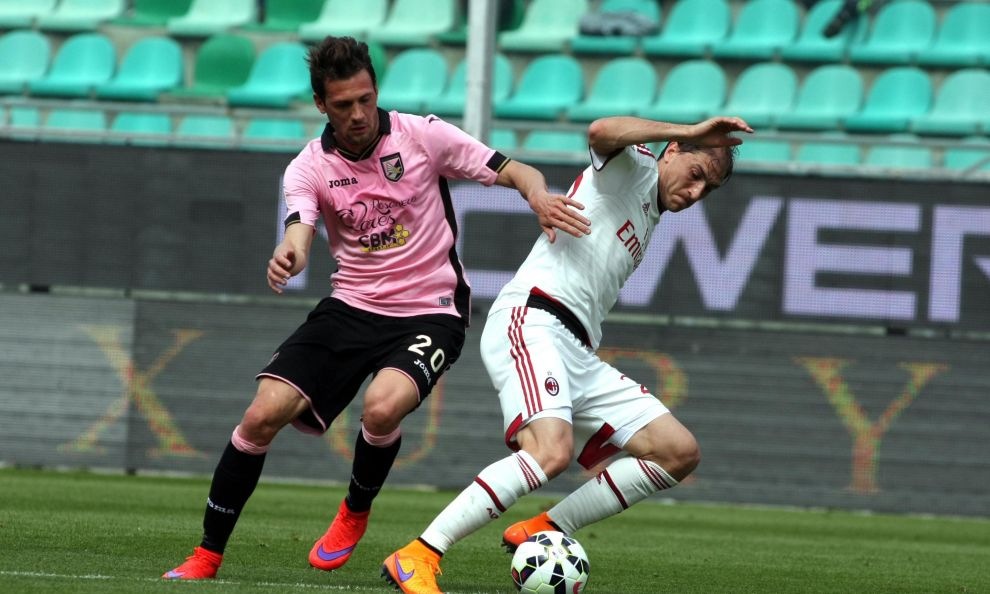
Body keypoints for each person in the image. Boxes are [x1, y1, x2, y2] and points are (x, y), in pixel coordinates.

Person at [162, 35, 591, 580]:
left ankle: (353, 512)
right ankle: (206, 555)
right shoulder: (308, 167)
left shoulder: (423, 135)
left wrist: (538, 197)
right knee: (260, 415)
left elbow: (512, 168)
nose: (359, 114)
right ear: (322, 104)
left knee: (383, 407)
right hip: (351, 306)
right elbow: (299, 228)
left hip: (431, 309)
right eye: (344, 105)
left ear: (376, 90)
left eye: (366, 98)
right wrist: (288, 253)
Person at [382, 114, 753, 593]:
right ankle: (420, 553)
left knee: (677, 452)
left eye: (710, 189)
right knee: (549, 452)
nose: (697, 193)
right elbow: (600, 131)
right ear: (675, 150)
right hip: (534, 317)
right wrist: (688, 128)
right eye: (697, 174)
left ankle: (546, 528)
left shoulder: (650, 209)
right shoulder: (634, 166)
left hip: (576, 349)